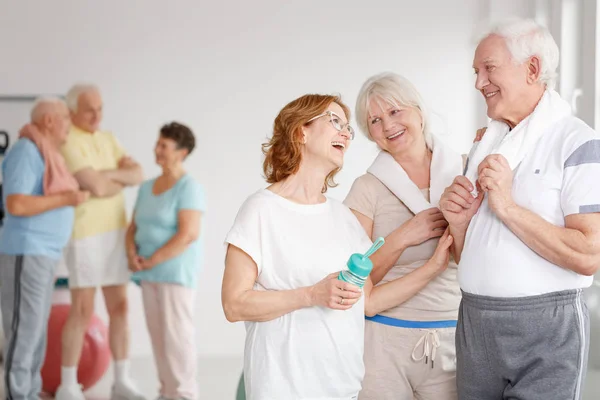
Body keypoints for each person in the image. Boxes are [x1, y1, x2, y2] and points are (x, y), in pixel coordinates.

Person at [221, 93, 453, 400]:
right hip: (282, 387)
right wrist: (311, 295)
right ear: (300, 131)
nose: (345, 133)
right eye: (334, 122)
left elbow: (368, 301)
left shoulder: (342, 216)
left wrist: (432, 268)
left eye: (348, 128)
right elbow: (234, 305)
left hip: (342, 387)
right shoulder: (261, 210)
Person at [439, 18, 600, 400]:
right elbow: (466, 257)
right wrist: (459, 223)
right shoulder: (486, 145)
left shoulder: (578, 142)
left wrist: (507, 206)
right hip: (476, 323)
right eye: (476, 72)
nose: (479, 83)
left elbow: (588, 255)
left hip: (545, 327)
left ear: (532, 69)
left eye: (489, 68)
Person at [344, 71, 471, 400]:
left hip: (452, 339)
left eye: (395, 111)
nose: (388, 126)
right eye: (374, 120)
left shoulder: (466, 170)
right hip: (384, 343)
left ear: (418, 110)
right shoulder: (366, 188)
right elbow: (356, 279)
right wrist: (402, 237)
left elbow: (483, 255)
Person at [55, 84, 145, 400]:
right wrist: (112, 178)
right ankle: (68, 384)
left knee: (120, 307)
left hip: (116, 233)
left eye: (100, 108)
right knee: (82, 309)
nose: (97, 115)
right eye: (89, 109)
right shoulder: (66, 141)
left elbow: (137, 174)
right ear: (72, 111)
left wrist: (107, 178)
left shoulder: (108, 139)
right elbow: (95, 185)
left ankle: (121, 381)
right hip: (85, 235)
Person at [0, 97, 89, 400]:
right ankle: (19, 394)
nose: (70, 124)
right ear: (49, 120)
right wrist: (67, 200)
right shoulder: (27, 151)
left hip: (42, 254)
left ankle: (29, 392)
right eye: (66, 117)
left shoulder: (46, 153)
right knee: (23, 329)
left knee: (35, 330)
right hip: (27, 251)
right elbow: (16, 203)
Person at [126, 122, 206, 400]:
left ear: (182, 152)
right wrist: (132, 256)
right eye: (157, 143)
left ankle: (184, 394)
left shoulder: (189, 187)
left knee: (177, 339)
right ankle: (166, 393)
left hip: (175, 274)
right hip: (148, 275)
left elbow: (188, 234)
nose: (157, 149)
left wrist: (152, 260)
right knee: (159, 340)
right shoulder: (147, 187)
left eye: (164, 146)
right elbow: (132, 228)